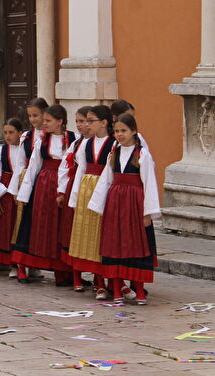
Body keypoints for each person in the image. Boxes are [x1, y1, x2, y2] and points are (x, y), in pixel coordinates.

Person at [88, 113, 161, 305]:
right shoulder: (114, 153)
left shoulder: (142, 155)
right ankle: (117, 286)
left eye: (124, 131)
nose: (120, 135)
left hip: (134, 204)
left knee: (136, 244)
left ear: (134, 131)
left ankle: (139, 289)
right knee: (115, 244)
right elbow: (106, 179)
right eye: (117, 131)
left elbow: (150, 184)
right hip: (115, 205)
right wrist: (98, 205)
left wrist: (148, 213)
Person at [13, 104, 76, 284]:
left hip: (64, 185)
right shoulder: (42, 140)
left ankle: (63, 271)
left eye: (48, 120)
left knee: (61, 228)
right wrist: (24, 193)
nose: (44, 123)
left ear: (60, 121)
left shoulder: (74, 139)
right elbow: (33, 166)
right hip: (44, 186)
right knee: (39, 226)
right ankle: (25, 266)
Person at [67, 105, 115, 300]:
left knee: (102, 236)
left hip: (104, 189)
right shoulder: (86, 144)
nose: (86, 124)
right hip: (87, 189)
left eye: (90, 120)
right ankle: (93, 278)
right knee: (87, 235)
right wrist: (75, 196)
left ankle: (104, 279)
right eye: (85, 120)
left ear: (103, 123)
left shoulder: (113, 144)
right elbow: (81, 169)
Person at [7, 97, 48, 280]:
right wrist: (15, 189)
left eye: (36, 115)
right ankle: (21, 263)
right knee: (24, 224)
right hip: (28, 183)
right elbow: (20, 164)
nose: (32, 119)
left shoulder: (53, 136)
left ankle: (36, 263)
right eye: (30, 116)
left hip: (45, 184)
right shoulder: (26, 137)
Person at [56, 106, 91, 291]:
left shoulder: (98, 143)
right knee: (73, 234)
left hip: (89, 189)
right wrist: (61, 191)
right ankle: (75, 276)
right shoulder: (76, 143)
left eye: (83, 121)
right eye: (77, 121)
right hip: (74, 190)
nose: (79, 125)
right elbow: (64, 166)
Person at [0, 117, 23, 268]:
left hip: (22, 191)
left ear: (20, 133)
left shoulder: (26, 150)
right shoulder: (1, 151)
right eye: (5, 132)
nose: (8, 136)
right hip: (5, 194)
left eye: (11, 132)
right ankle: (9, 262)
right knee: (6, 229)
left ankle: (25, 263)